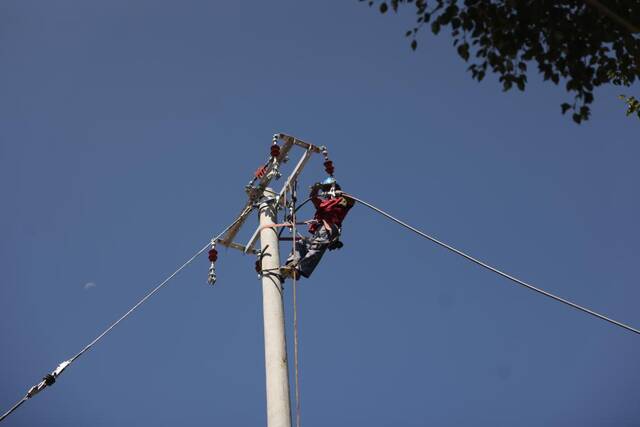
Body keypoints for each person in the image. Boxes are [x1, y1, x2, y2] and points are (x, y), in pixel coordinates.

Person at [281, 177, 355, 280]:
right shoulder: (323, 203)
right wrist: (316, 188)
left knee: (316, 248)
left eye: (327, 189)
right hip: (318, 231)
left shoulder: (341, 201)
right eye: (325, 189)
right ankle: (291, 265)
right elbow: (313, 197)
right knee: (301, 243)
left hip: (328, 229)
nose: (326, 192)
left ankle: (299, 270)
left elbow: (352, 201)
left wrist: (340, 193)